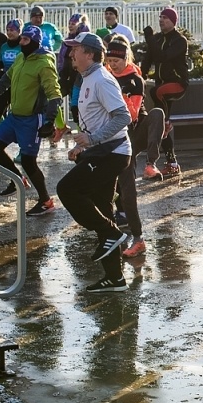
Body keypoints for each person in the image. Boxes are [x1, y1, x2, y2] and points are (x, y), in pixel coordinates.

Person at [55, 32, 135, 291]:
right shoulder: (88, 78)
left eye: (74, 50)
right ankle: (115, 278)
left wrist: (91, 139)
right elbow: (96, 123)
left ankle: (113, 234)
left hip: (114, 154)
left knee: (66, 189)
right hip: (104, 152)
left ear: (89, 54)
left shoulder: (101, 79)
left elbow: (123, 117)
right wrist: (82, 146)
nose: (70, 55)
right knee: (102, 208)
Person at [0, 25, 65, 211]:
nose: (21, 42)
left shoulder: (44, 63)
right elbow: (7, 77)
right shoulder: (21, 57)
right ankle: (16, 179)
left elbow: (54, 94)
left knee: (29, 162)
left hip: (32, 119)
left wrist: (49, 121)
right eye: (21, 39)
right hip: (14, 117)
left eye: (25, 40)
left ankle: (46, 201)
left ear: (35, 43)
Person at [103, 38, 151, 260]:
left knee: (128, 189)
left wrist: (119, 96)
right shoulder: (104, 75)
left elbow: (132, 114)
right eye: (109, 60)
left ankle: (138, 238)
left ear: (125, 58)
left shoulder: (135, 79)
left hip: (130, 137)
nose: (113, 65)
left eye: (117, 60)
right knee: (104, 186)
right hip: (106, 137)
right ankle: (108, 229)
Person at [141, 8, 189, 177]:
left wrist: (149, 39)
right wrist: (141, 77)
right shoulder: (158, 39)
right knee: (162, 122)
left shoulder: (179, 40)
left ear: (173, 21)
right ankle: (171, 161)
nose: (161, 20)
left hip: (177, 83)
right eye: (160, 17)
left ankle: (166, 124)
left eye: (166, 18)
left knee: (156, 93)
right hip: (162, 85)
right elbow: (148, 59)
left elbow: (162, 57)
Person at [0, 19, 24, 138]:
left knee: (20, 115)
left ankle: (21, 144)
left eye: (12, 30)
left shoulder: (23, 46)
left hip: (20, 85)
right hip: (5, 84)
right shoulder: (4, 47)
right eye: (7, 30)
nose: (9, 33)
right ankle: (3, 136)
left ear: (19, 31)